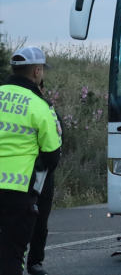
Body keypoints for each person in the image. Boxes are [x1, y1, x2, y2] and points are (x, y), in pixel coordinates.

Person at [0, 46, 62, 275]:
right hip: (18, 191)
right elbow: (51, 154)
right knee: (11, 255)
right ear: (37, 71)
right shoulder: (39, 105)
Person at [25, 79, 62, 275]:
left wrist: (45, 168)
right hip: (21, 171)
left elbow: (57, 138)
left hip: (42, 172)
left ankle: (35, 262)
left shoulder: (47, 109)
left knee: (41, 220)